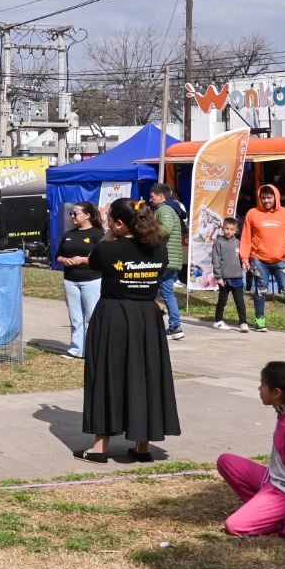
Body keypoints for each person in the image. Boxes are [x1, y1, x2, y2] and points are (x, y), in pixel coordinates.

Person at [76, 199, 181, 464]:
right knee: (145, 376)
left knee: (106, 376)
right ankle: (142, 446)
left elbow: (94, 260)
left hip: (113, 316)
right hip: (147, 316)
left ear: (120, 224)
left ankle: (100, 448)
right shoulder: (159, 249)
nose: (108, 225)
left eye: (110, 220)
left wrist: (109, 237)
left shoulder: (108, 249)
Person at [217, 361, 285, 539]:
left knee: (234, 526)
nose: (259, 389)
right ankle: (266, 511)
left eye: (262, 384)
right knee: (226, 461)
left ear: (277, 393)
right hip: (273, 480)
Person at [243, 184, 285, 335]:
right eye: (263, 198)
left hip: (281, 260)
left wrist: (284, 251)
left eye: (269, 198)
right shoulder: (252, 213)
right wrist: (244, 258)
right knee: (260, 291)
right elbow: (246, 238)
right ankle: (260, 321)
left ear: (275, 197)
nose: (266, 201)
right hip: (259, 260)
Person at [55, 202, 105, 359]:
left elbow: (102, 258)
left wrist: (82, 260)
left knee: (92, 316)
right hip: (70, 280)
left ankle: (93, 349)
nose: (72, 216)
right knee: (75, 317)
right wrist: (64, 260)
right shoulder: (68, 234)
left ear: (87, 215)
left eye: (75, 213)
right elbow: (58, 256)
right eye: (71, 213)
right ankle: (76, 348)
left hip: (91, 280)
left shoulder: (98, 235)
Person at [148, 183, 187, 341]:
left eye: (152, 196)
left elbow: (166, 229)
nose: (150, 199)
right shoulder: (170, 208)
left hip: (165, 258)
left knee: (148, 288)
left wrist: (147, 232)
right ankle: (175, 326)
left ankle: (154, 320)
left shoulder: (164, 209)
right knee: (167, 293)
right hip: (172, 258)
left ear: (161, 197)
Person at [210, 217, 250, 332]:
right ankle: (218, 321)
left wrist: (245, 263)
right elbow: (216, 260)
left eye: (231, 229)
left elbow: (243, 257)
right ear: (223, 228)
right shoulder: (218, 242)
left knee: (240, 301)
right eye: (226, 228)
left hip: (237, 277)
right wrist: (218, 277)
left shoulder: (238, 242)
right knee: (222, 300)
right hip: (224, 278)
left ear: (235, 230)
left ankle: (243, 322)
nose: (228, 231)